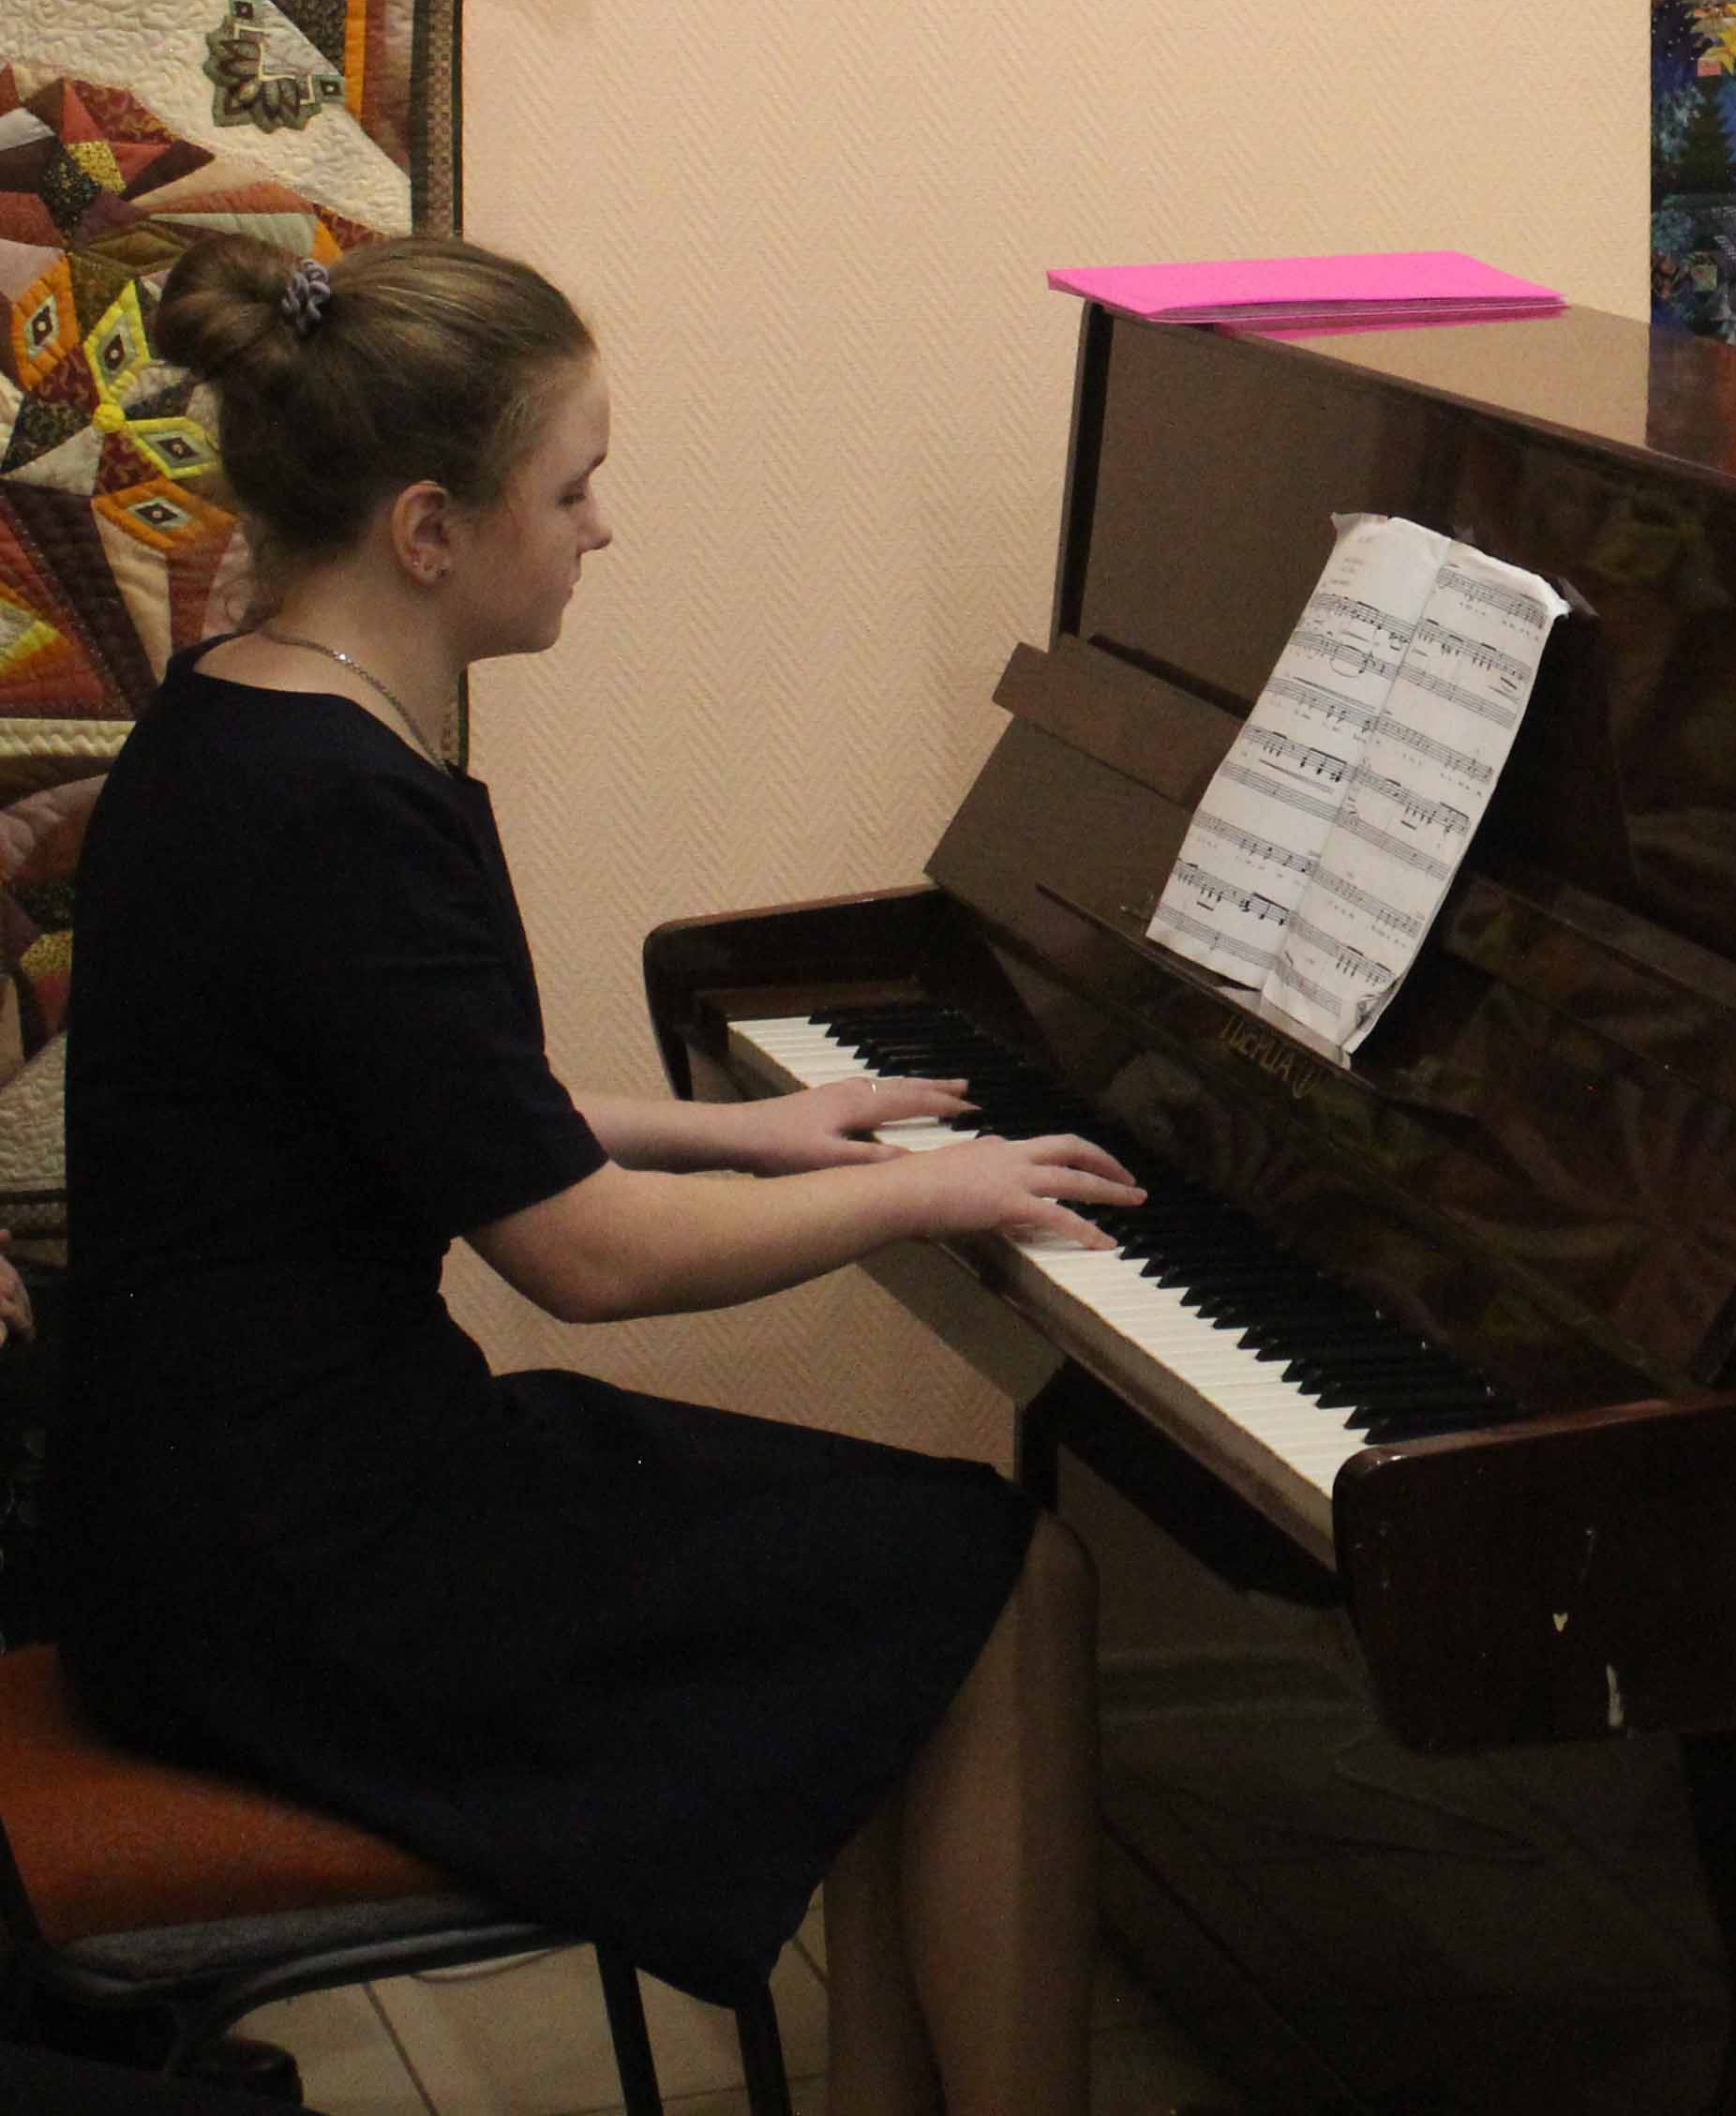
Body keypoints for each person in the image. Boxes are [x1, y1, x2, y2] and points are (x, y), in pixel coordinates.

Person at [50, 235, 1147, 2116]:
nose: (601, 530)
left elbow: (422, 1096)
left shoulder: (239, 708)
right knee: (981, 1575)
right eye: (572, 489)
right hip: (305, 1574)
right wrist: (926, 1193)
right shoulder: (340, 804)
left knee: (978, 1578)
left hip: (207, 1512)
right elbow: (586, 1258)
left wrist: (749, 1128)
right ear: (428, 529)